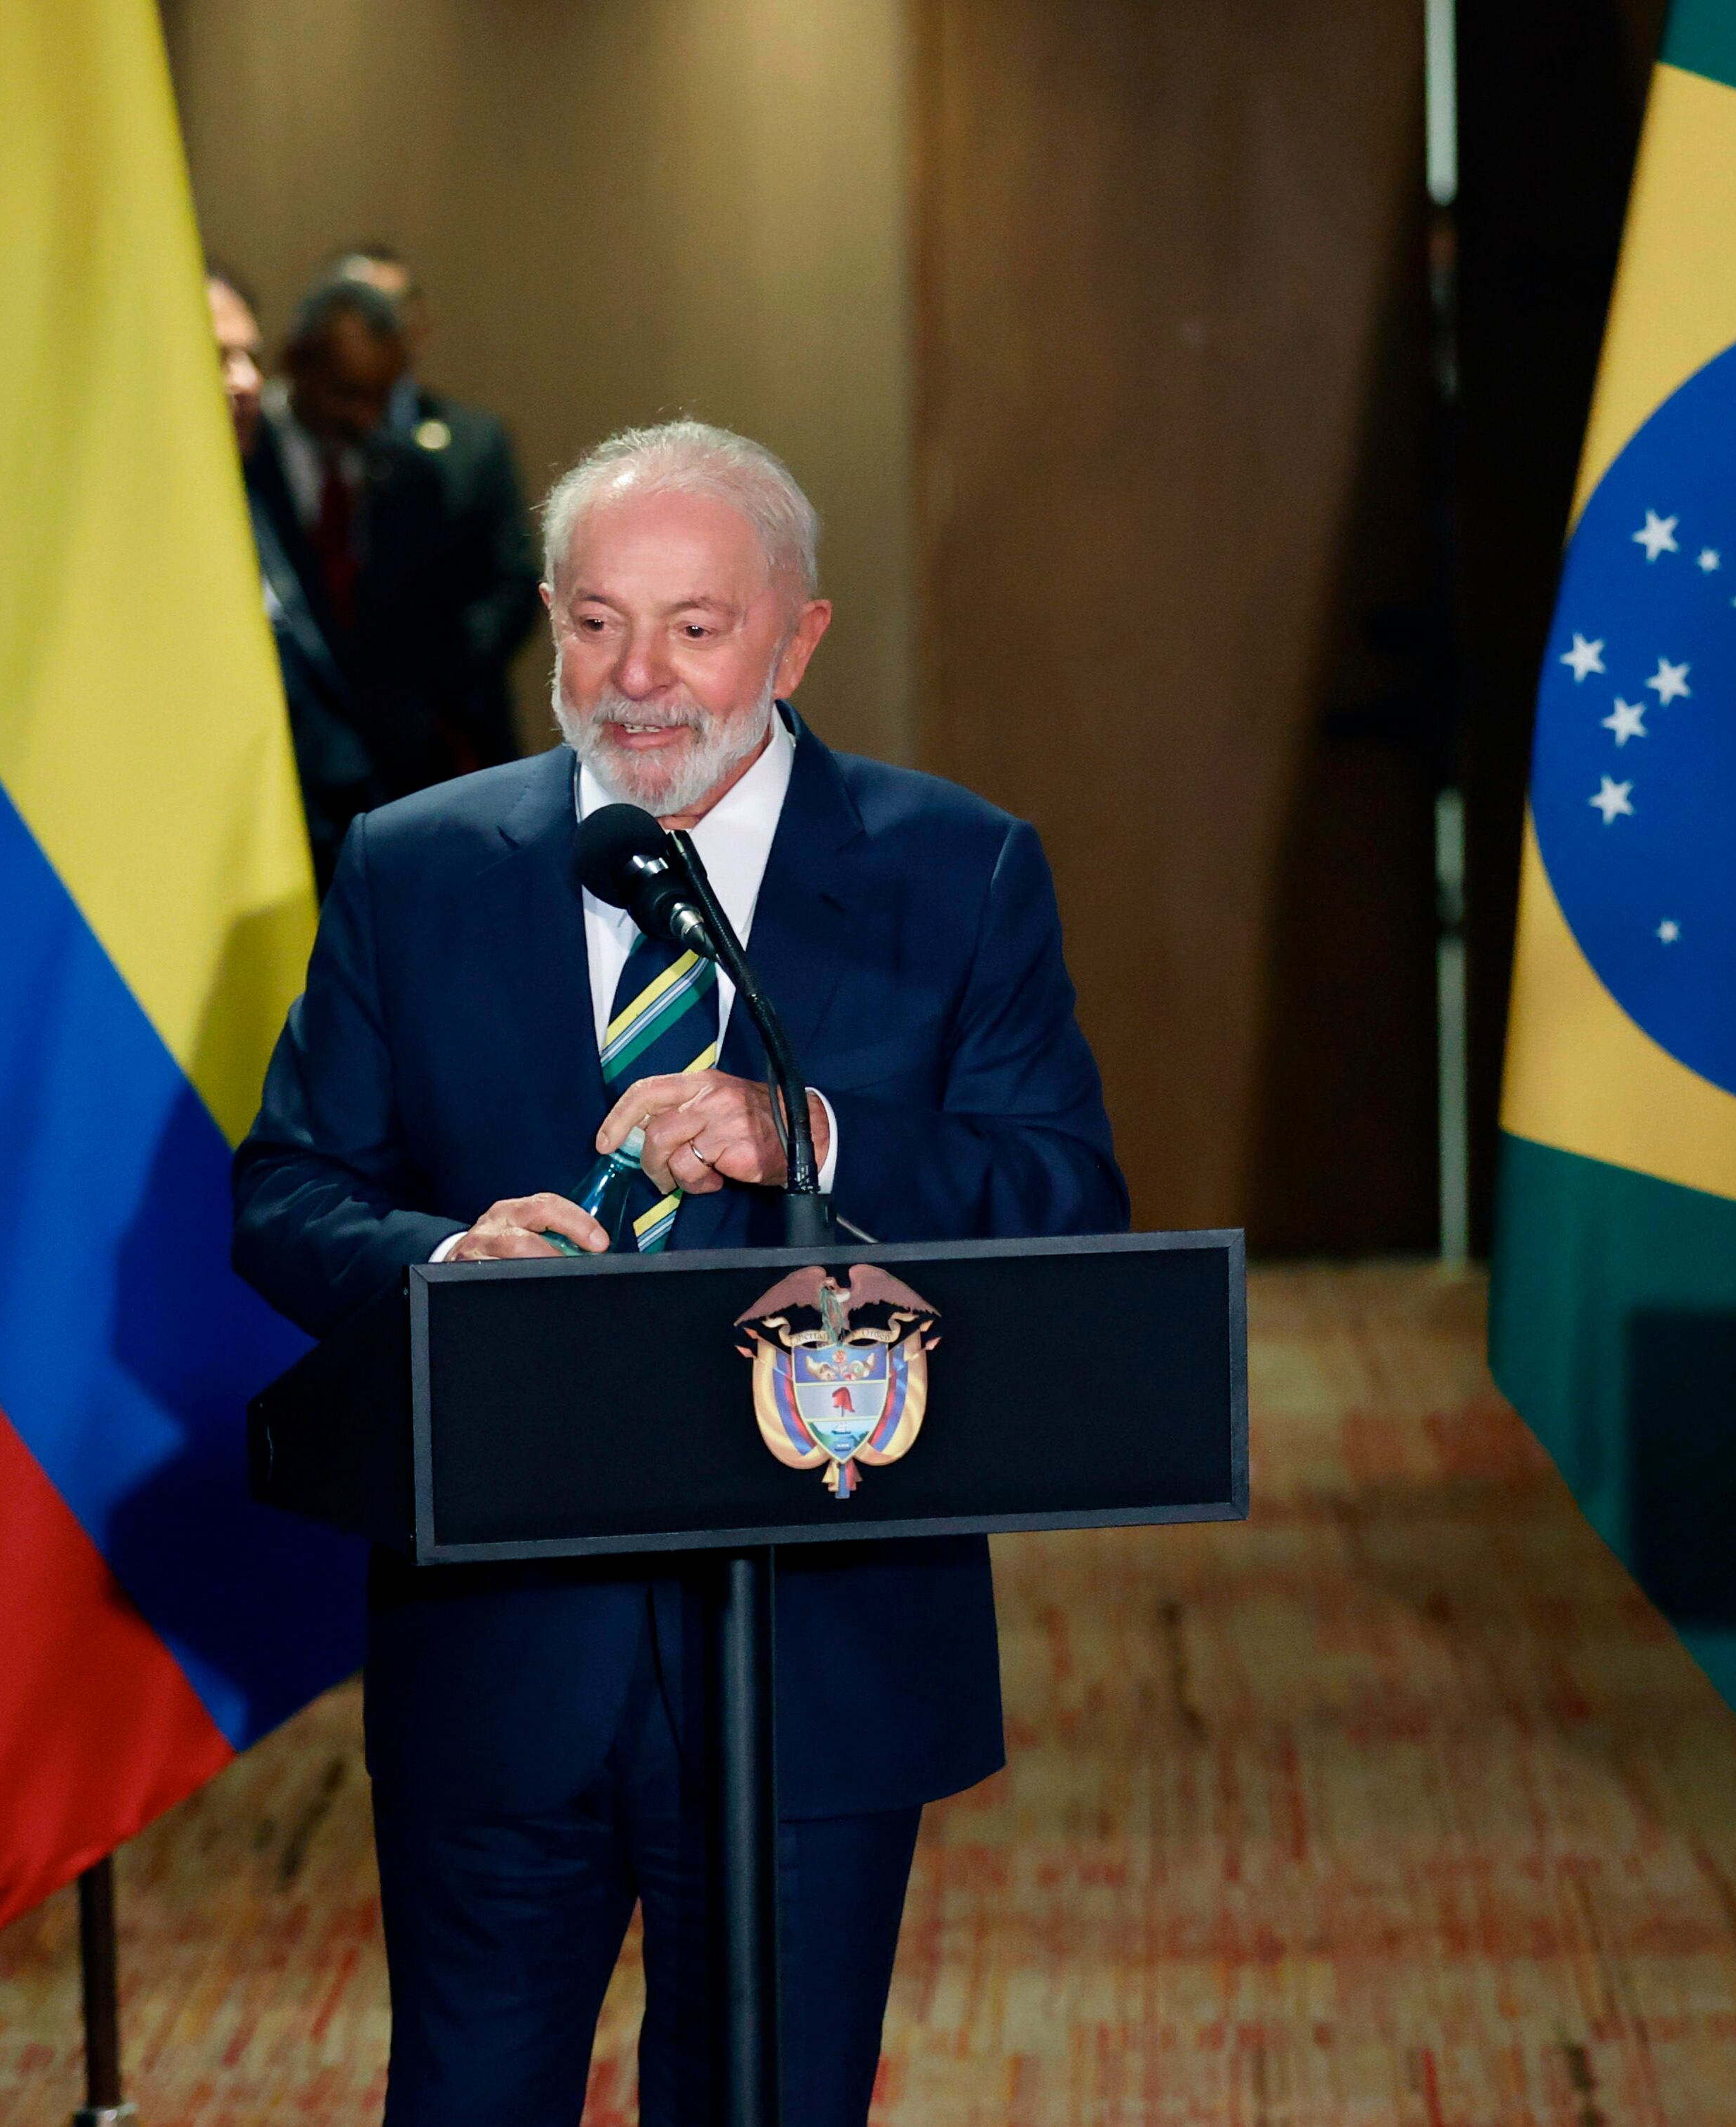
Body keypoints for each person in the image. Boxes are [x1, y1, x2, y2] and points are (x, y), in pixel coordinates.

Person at [232, 422, 1127, 2124]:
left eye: (695, 627)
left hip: (820, 1646)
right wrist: (443, 1254)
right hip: (497, 1649)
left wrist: (817, 1139)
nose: (635, 679)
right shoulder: (413, 866)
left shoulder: (957, 869)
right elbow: (286, 1191)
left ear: (797, 638)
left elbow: (1064, 1199)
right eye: (592, 623)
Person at [250, 276, 519, 798]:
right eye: (347, 393)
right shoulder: (240, 458)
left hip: (393, 769)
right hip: (286, 769)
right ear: (294, 361)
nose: (364, 418)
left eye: (380, 398)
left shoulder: (410, 474)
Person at [326, 244, 541, 762]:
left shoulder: (473, 440)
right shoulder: (287, 438)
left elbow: (514, 583)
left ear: (417, 324)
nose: (373, 324)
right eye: (357, 308)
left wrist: (441, 680)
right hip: (330, 730)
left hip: (452, 729)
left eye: (388, 309)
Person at [210, 263, 382, 886]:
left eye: (250, 358)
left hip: (310, 845)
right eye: (218, 358)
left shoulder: (241, 498)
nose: (247, 382)